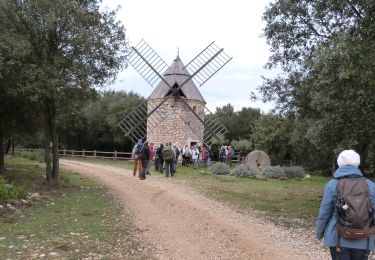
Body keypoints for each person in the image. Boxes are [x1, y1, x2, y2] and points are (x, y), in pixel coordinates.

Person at [316, 149, 375, 260]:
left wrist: (319, 233)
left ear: (339, 164)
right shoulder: (370, 185)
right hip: (363, 239)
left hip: (338, 238)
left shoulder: (332, 184)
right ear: (357, 163)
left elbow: (324, 213)